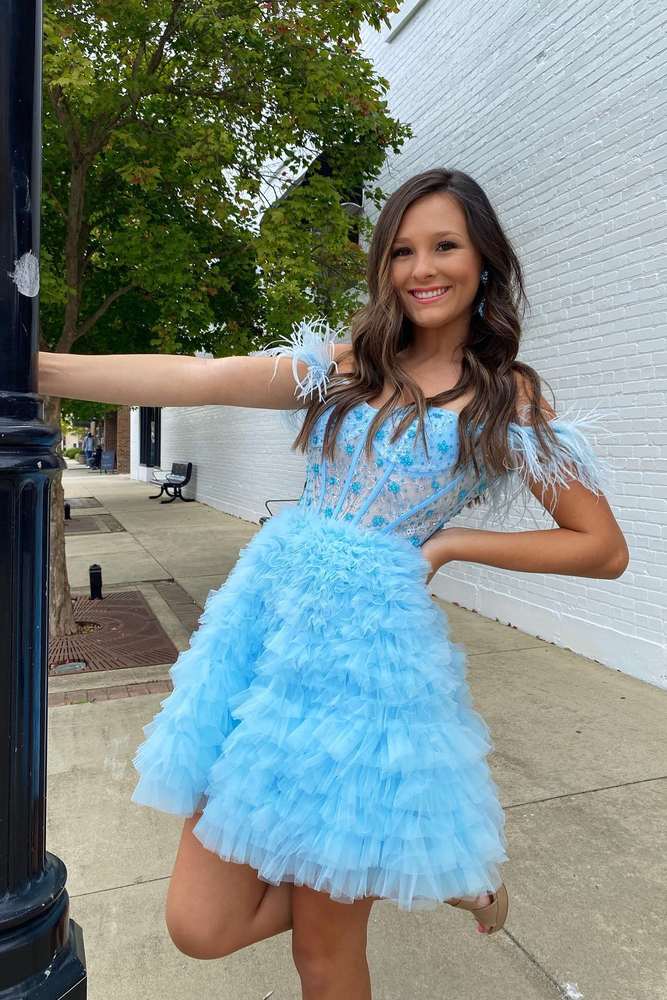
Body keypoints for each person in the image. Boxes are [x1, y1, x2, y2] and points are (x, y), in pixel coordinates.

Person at [38, 168, 628, 998]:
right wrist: (42, 369)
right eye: (402, 251)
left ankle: (406, 865)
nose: (422, 268)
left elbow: (600, 547)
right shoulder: (349, 365)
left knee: (323, 950)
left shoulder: (506, 396)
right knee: (198, 926)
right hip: (265, 631)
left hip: (363, 664)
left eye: (445, 247)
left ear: (484, 261)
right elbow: (199, 376)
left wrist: (449, 543)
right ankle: (426, 868)